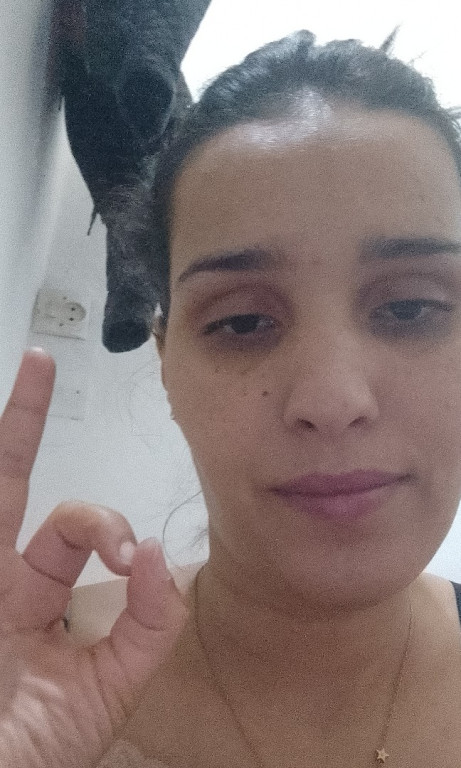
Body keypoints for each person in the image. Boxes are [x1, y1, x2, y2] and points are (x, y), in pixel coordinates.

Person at [2, 25, 461, 768]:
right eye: (243, 321)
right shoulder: (30, 685)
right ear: (166, 364)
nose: (332, 400)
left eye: (410, 308)